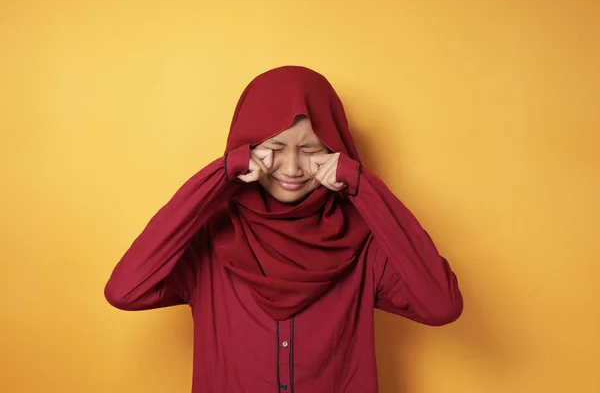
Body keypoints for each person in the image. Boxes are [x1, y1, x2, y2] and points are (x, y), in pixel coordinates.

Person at [104, 65, 463, 393]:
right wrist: (221, 174)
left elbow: (441, 305)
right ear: (247, 149)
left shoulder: (363, 245)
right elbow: (125, 291)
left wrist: (361, 184)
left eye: (310, 150)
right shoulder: (211, 240)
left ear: (334, 151)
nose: (292, 169)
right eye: (273, 148)